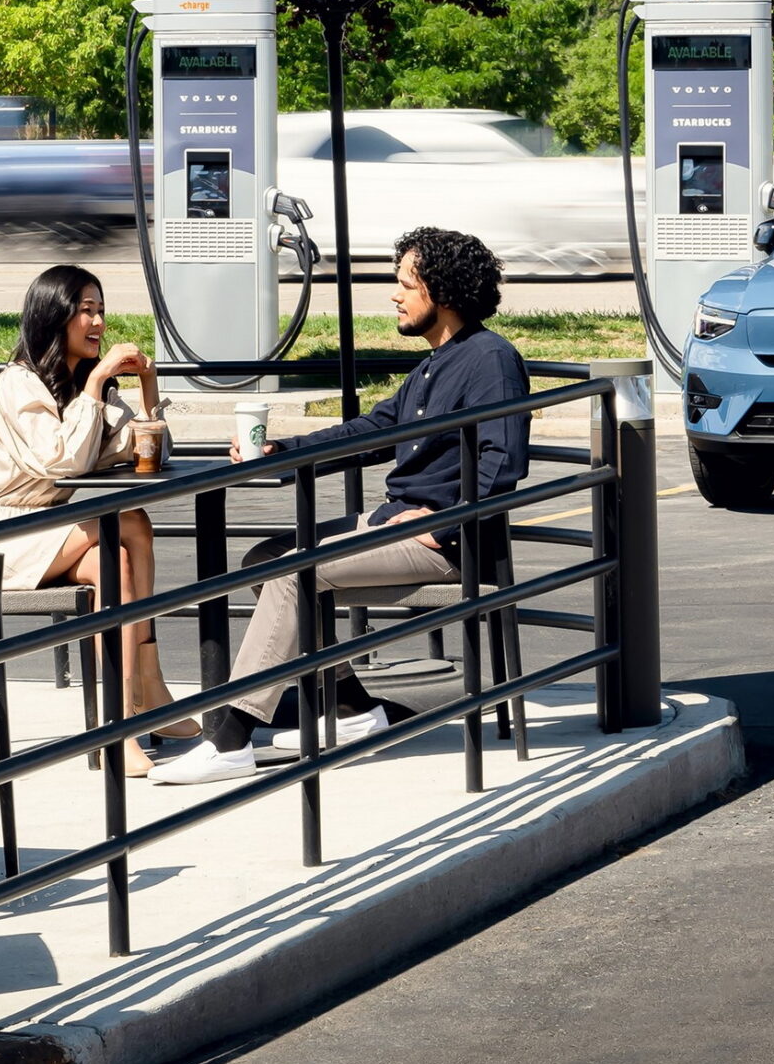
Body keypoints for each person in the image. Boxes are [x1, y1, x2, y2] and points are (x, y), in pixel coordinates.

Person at [153, 226, 528, 784]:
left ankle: (231, 739)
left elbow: (504, 460)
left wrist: (444, 524)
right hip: (392, 524)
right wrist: (283, 452)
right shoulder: (432, 364)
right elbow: (372, 430)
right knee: (265, 560)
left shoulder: (491, 360)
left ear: (442, 292)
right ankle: (353, 711)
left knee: (291, 573)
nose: (395, 295)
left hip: (445, 542)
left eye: (405, 283)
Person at [0, 264, 198, 778]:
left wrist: (148, 387)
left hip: (44, 532)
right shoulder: (18, 386)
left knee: (121, 561)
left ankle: (121, 717)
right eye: (85, 311)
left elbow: (148, 452)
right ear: (55, 317)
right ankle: (138, 700)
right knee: (129, 523)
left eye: (101, 310)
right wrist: (99, 382)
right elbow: (62, 460)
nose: (98, 323)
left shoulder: (76, 386)